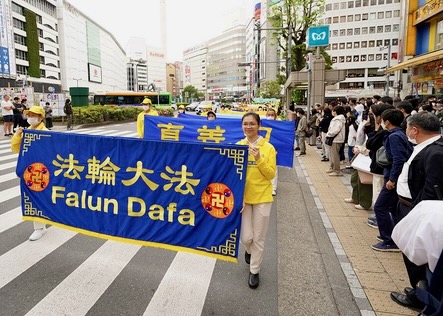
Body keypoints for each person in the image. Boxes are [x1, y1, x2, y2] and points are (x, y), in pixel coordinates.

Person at [389, 112, 443, 311]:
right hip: (409, 205)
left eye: (407, 128)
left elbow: (432, 189)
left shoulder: (435, 152)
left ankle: (421, 297)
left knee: (418, 258)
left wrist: (416, 213)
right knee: (412, 254)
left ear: (415, 130)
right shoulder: (425, 147)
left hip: (418, 210)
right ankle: (418, 291)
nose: (406, 132)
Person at [237, 112, 276, 289]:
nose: (248, 127)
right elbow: (233, 174)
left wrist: (258, 158)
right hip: (244, 198)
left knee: (259, 238)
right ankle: (247, 250)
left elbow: (270, 174)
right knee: (246, 237)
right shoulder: (239, 146)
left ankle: (254, 271)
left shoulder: (268, 148)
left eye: (252, 123)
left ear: (258, 125)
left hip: (262, 197)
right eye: (245, 124)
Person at [371, 109, 413, 252]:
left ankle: (389, 240)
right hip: (397, 176)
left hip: (394, 177)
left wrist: (392, 179)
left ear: (387, 122)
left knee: (380, 207)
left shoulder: (394, 137)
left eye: (382, 119)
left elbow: (398, 159)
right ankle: (395, 236)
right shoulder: (398, 134)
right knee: (393, 208)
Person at [11, 106, 49, 241]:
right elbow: (15, 149)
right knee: (32, 197)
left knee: (39, 197)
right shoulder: (26, 132)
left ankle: (41, 226)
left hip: (41, 171)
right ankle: (40, 227)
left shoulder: (46, 132)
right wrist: (17, 135)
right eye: (29, 115)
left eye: (34, 115)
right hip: (29, 170)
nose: (31, 117)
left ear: (41, 117)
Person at [325, 105, 346, 176]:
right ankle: (332, 167)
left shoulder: (338, 119)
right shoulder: (339, 119)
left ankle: (336, 170)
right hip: (336, 139)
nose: (332, 112)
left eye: (333, 110)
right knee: (332, 154)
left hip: (336, 139)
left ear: (335, 112)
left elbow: (335, 129)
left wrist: (328, 134)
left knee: (335, 155)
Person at [266, 108, 279, 196]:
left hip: (275, 149)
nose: (270, 117)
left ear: (275, 116)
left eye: (272, 115)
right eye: (269, 115)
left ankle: (273, 188)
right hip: (264, 149)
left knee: (274, 168)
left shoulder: (279, 125)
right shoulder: (263, 124)